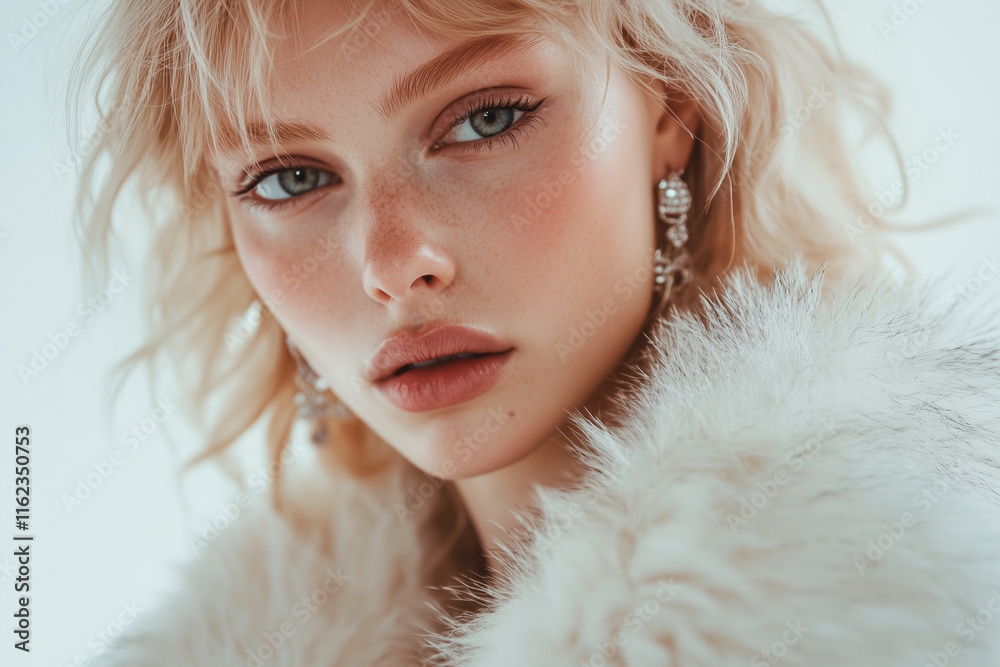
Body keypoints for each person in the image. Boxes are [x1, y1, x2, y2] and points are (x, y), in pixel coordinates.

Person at [70, 0, 1000, 664]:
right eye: (288, 179)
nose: (392, 263)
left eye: (484, 119)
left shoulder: (885, 597)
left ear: (669, 109)